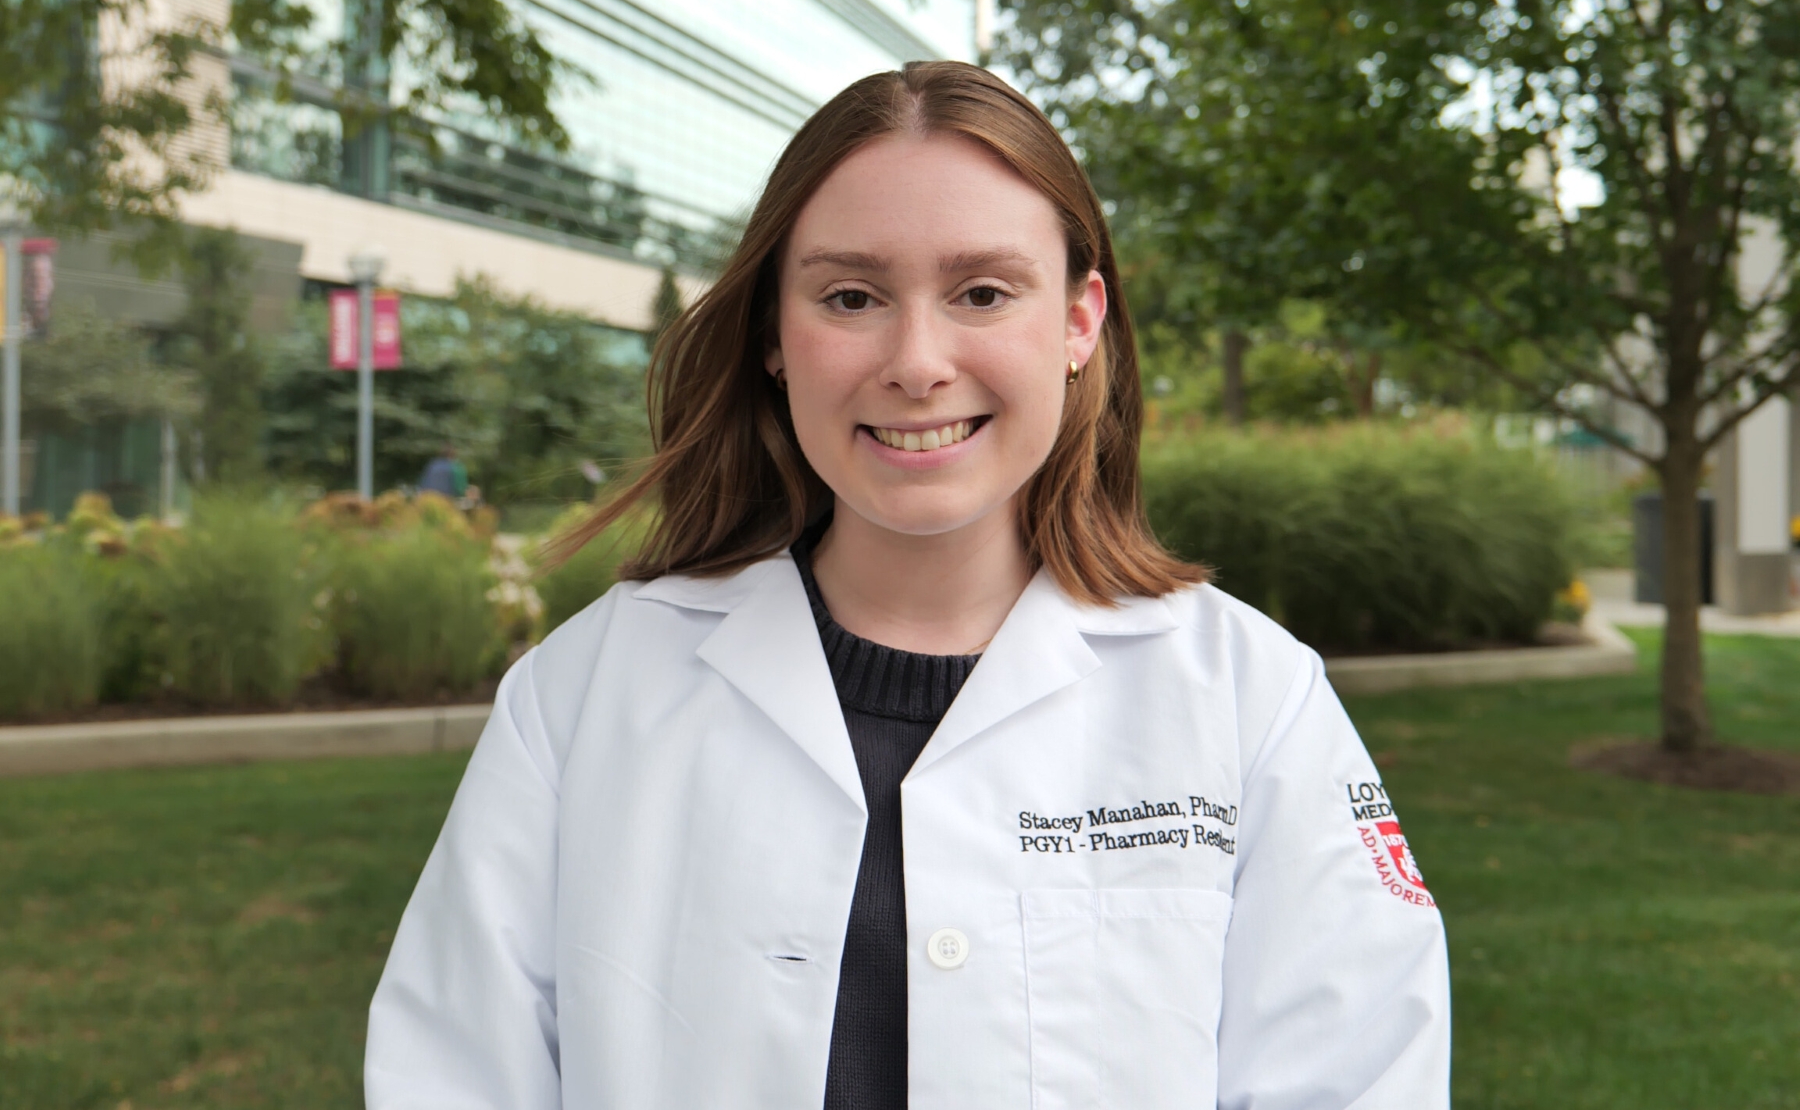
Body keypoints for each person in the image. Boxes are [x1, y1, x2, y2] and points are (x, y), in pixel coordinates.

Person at [365, 62, 1449, 1109]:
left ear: (1079, 321)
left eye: (983, 290)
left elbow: (1356, 1077)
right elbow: (452, 1075)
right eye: (851, 295)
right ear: (774, 337)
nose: (917, 359)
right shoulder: (581, 699)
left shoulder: (1250, 699)